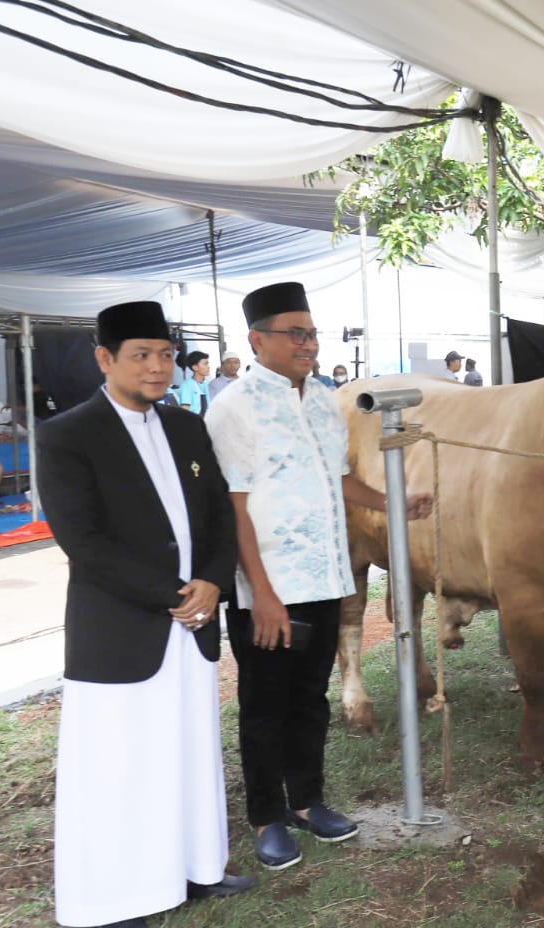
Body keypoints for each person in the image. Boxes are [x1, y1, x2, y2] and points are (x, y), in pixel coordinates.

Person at [37, 301, 252, 928]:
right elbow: (84, 541)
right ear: (105, 359)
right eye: (141, 354)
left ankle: (195, 868)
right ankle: (113, 897)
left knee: (188, 751)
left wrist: (213, 581)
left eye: (164, 353)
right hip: (122, 629)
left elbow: (218, 517)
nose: (158, 366)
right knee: (117, 766)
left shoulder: (188, 427)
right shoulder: (68, 435)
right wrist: (173, 596)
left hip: (191, 624)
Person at [206, 282, 433, 871]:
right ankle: (265, 818)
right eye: (295, 333)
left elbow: (336, 481)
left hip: (328, 579)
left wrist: (393, 503)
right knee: (264, 706)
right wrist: (263, 596)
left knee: (311, 699)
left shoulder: (324, 401)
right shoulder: (234, 408)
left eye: (311, 333)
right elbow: (233, 506)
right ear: (258, 340)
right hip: (269, 590)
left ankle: (307, 802)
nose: (308, 343)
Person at [176, 350, 210, 415]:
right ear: (195, 367)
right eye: (205, 364)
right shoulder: (187, 385)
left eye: (208, 363)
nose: (208, 366)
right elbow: (185, 410)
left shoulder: (204, 384)